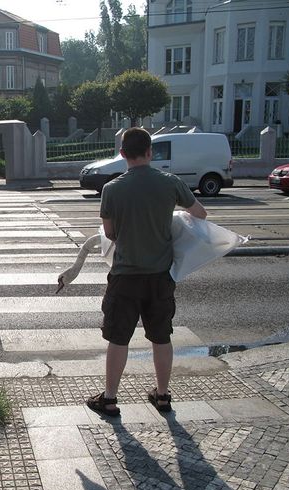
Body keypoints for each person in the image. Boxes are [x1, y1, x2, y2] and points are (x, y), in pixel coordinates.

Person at [86, 127, 207, 416]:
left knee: (118, 338)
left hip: (125, 277)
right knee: (161, 336)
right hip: (160, 277)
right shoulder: (171, 183)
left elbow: (110, 233)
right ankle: (162, 396)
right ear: (150, 152)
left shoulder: (112, 189)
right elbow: (200, 214)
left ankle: (110, 399)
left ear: (122, 154)